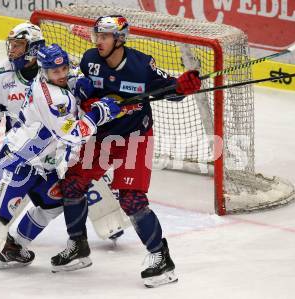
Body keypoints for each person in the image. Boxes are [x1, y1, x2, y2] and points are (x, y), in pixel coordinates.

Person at [0, 43, 120, 295]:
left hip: (42, 166)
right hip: (18, 164)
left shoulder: (53, 81)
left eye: (64, 67)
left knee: (54, 204)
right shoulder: (52, 97)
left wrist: (84, 86)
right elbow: (73, 135)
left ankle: (14, 247)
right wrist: (99, 113)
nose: (62, 73)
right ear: (43, 72)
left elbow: (73, 80)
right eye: (56, 71)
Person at [51, 15, 201, 287]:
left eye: (105, 36)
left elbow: (171, 90)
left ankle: (161, 258)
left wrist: (183, 87)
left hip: (135, 137)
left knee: (131, 199)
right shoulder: (90, 60)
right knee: (72, 184)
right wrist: (92, 100)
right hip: (103, 138)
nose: (99, 40)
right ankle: (78, 247)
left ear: (120, 39)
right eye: (98, 35)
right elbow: (87, 90)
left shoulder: (141, 66)